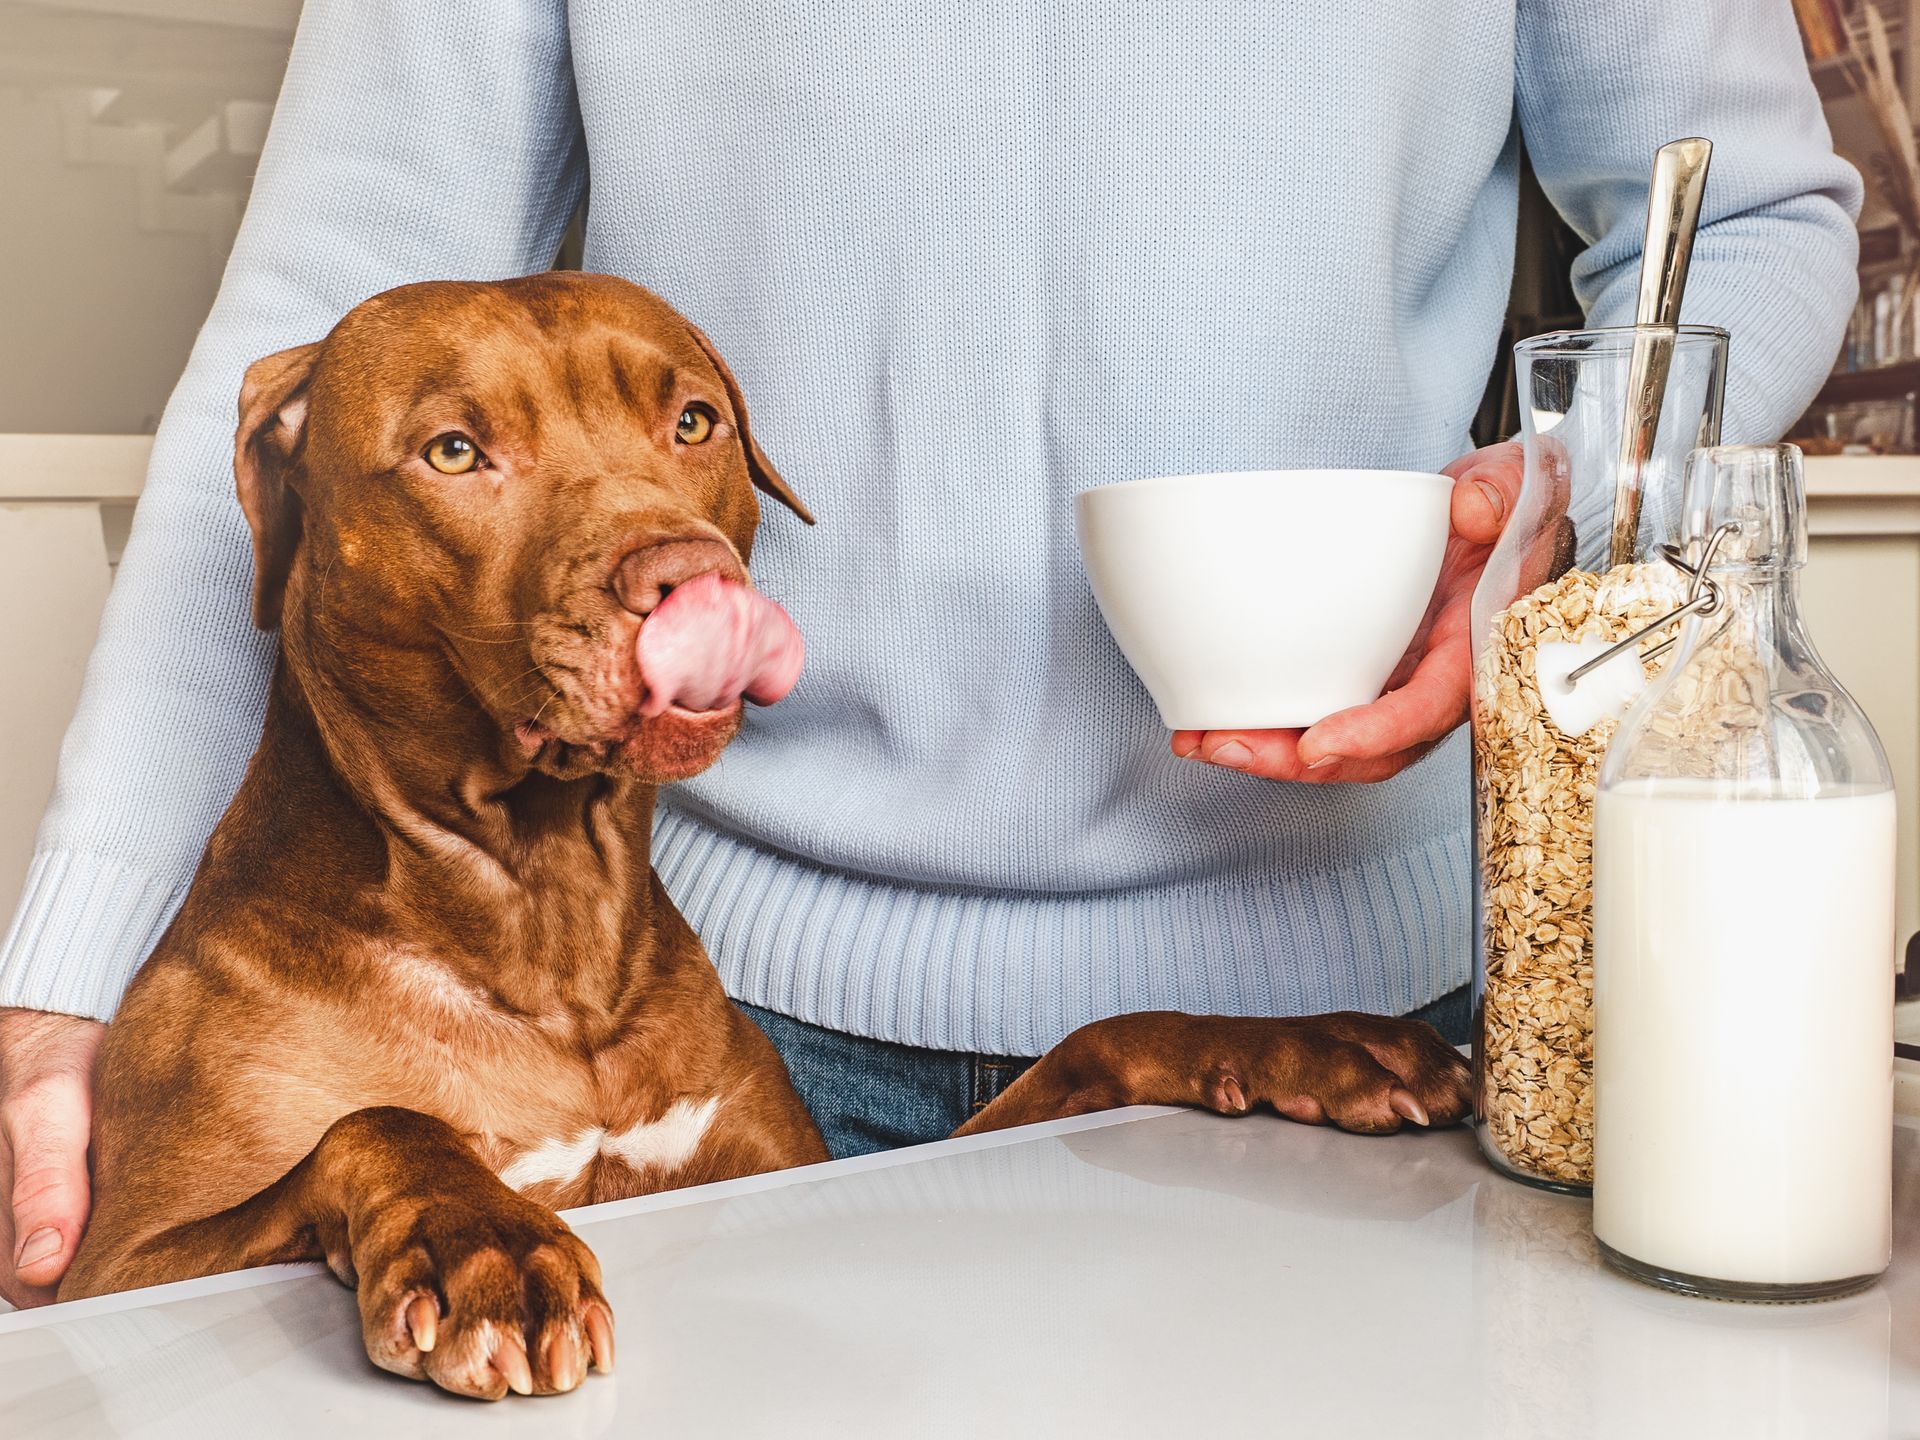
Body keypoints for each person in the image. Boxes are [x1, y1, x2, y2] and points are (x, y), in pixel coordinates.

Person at [0, 0, 1858, 1306]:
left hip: (1347, 1030)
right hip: (708, 1014)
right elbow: (314, 341)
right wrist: (78, 968)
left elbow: (1752, 213)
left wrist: (1542, 521)